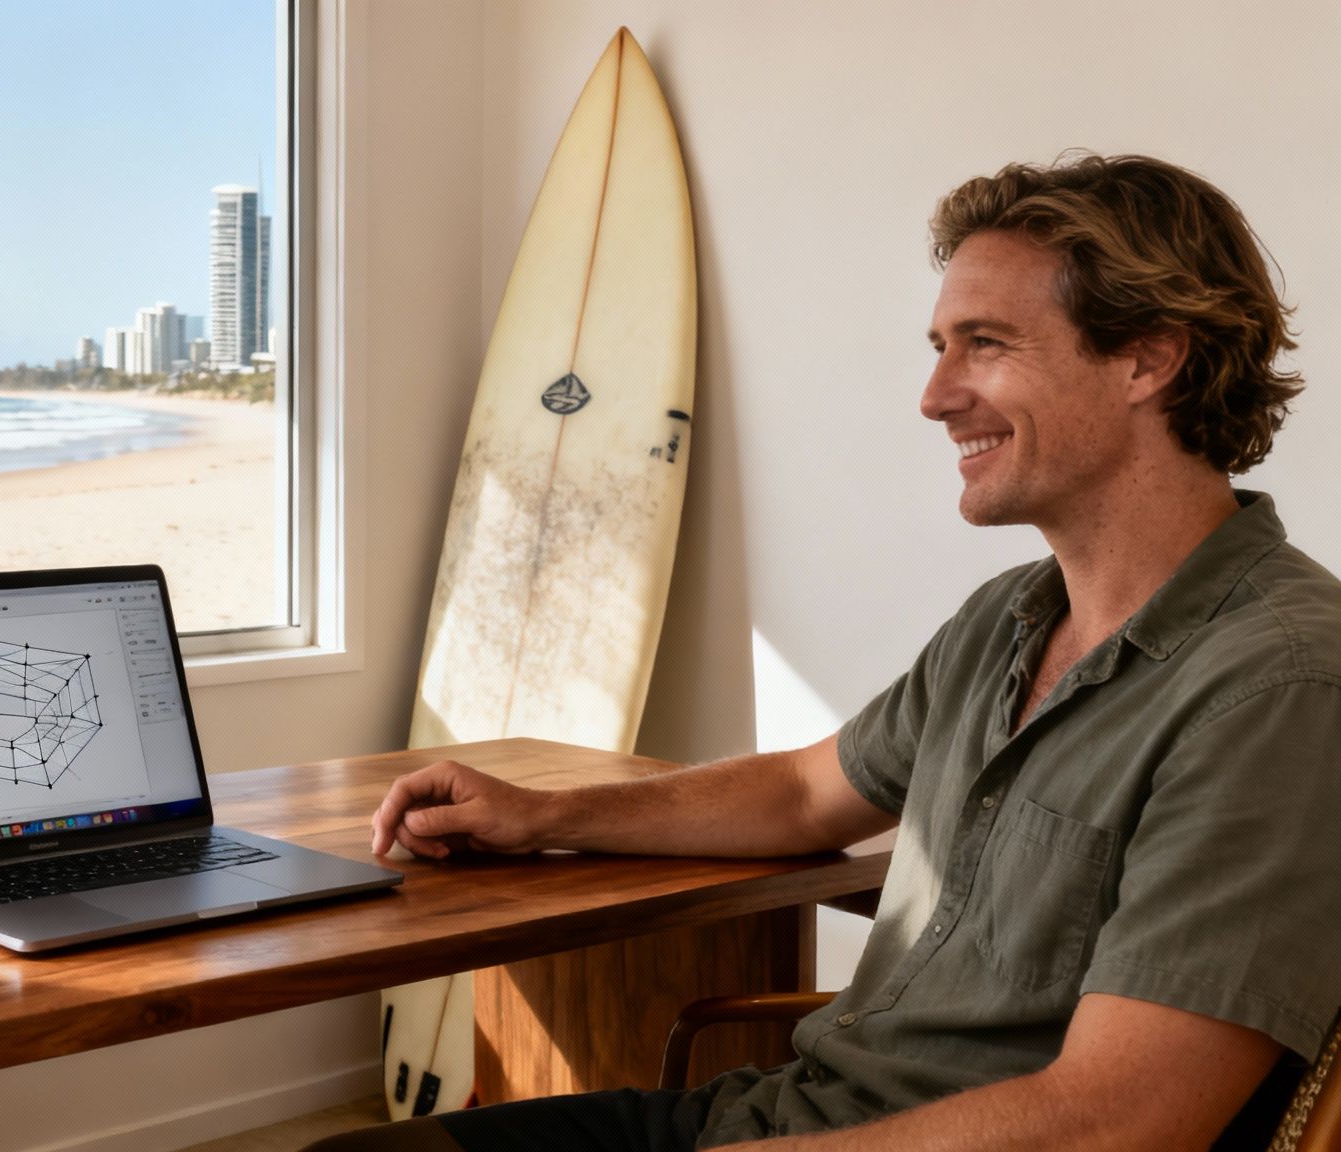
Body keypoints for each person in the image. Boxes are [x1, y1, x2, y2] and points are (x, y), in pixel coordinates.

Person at [324, 153, 1341, 1151]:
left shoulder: (1278, 685)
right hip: (789, 1114)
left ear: (1146, 360)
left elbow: (1119, 1122)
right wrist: (544, 816)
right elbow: (807, 794)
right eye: (939, 346)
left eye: (984, 344)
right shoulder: (1009, 618)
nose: (934, 396)